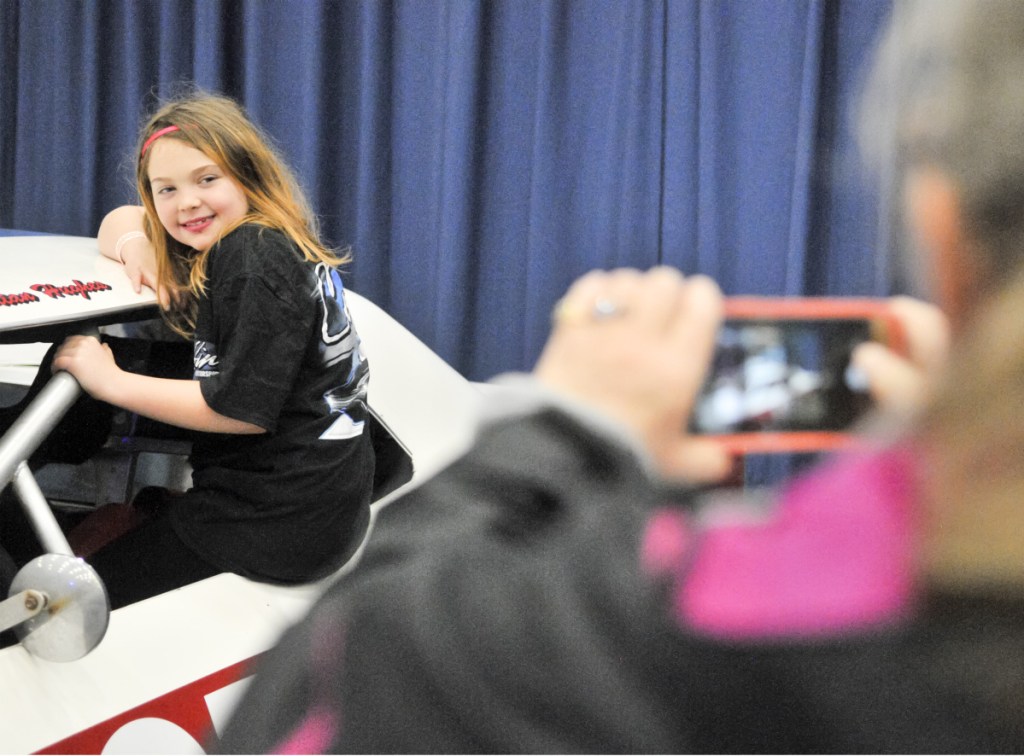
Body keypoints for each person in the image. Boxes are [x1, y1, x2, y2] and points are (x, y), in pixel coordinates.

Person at [217, 1, 1024, 752]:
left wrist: (565, 429)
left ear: (944, 234)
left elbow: (324, 692)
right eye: (165, 190)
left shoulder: (707, 629)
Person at [49, 93, 375, 609]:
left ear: (247, 175)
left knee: (72, 602)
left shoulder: (250, 258)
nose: (187, 203)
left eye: (207, 179)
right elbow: (119, 220)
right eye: (167, 189)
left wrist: (109, 380)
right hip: (317, 509)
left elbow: (238, 412)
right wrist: (139, 244)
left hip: (271, 522)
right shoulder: (261, 237)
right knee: (77, 372)